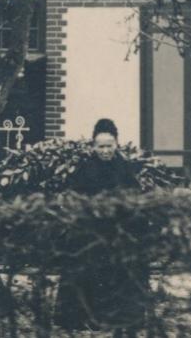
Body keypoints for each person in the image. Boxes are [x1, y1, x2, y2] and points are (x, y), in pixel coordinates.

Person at [55, 118, 146, 336]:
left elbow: (135, 198)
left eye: (109, 146)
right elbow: (75, 198)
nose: (105, 151)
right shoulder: (84, 169)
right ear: (93, 147)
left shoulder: (125, 168)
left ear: (117, 144)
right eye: (100, 146)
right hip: (91, 231)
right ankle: (87, 317)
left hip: (118, 230)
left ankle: (116, 317)